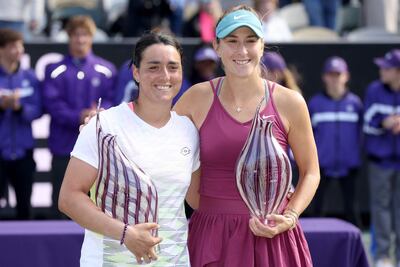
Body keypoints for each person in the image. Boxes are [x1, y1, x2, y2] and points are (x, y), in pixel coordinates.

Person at [174, 5, 320, 266]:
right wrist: (104, 124)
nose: (242, 51)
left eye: (250, 41)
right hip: (212, 236)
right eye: (232, 41)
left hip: (274, 237)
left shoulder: (291, 103)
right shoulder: (195, 98)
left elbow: (311, 172)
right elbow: (157, 139)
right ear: (217, 46)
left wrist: (290, 215)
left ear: (262, 46)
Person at [59, 31, 200, 265]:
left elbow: (198, 199)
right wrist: (126, 234)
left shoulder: (188, 131)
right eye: (153, 67)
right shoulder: (104, 126)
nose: (165, 75)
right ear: (136, 72)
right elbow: (69, 198)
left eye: (173, 67)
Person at [42, 15, 116, 218]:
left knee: (97, 206)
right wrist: (80, 116)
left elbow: (112, 101)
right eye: (75, 35)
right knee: (61, 204)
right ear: (69, 38)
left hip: (97, 149)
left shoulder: (106, 70)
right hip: (63, 148)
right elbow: (52, 104)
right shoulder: (54, 70)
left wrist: (99, 114)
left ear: (91, 37)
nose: (80, 40)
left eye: (84, 35)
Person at [308, 56, 363, 227]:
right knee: (317, 209)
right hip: (321, 164)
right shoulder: (315, 103)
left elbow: (361, 133)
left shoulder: (355, 103)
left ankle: (357, 248)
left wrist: (354, 154)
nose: (334, 79)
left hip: (349, 164)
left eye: (338, 74)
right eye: (330, 74)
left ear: (346, 76)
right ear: (324, 77)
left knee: (352, 209)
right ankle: (313, 248)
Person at [363, 48, 400, 267]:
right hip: (380, 161)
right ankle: (383, 256)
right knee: (381, 209)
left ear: (397, 71)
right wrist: (384, 123)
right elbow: (367, 123)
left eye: (386, 68)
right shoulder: (374, 90)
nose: (381, 71)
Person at [0, 28, 42, 219]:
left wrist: (18, 108)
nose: (17, 50)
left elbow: (38, 110)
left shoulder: (30, 77)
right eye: (12, 46)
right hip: (1, 150)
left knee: (24, 207)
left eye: (20, 45)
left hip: (24, 151)